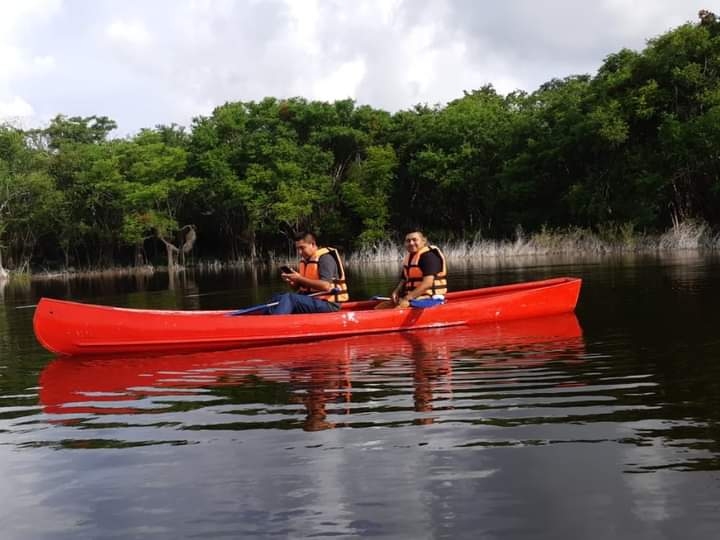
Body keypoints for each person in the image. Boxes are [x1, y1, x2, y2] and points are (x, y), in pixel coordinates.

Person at [267, 231, 349, 314]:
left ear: (313, 244)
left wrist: (299, 278)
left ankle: (276, 323)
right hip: (311, 300)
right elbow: (299, 288)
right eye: (298, 249)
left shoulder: (325, 258)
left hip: (328, 304)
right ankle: (262, 319)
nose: (299, 252)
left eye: (302, 248)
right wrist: (293, 282)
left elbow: (325, 286)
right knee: (277, 297)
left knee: (290, 298)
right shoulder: (306, 261)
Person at [384, 229, 447, 309]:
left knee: (399, 307)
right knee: (380, 307)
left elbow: (427, 284)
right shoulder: (410, 258)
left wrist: (407, 298)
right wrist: (396, 292)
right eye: (408, 241)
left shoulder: (429, 257)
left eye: (414, 240)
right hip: (415, 297)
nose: (411, 243)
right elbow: (404, 279)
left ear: (424, 241)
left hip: (431, 297)